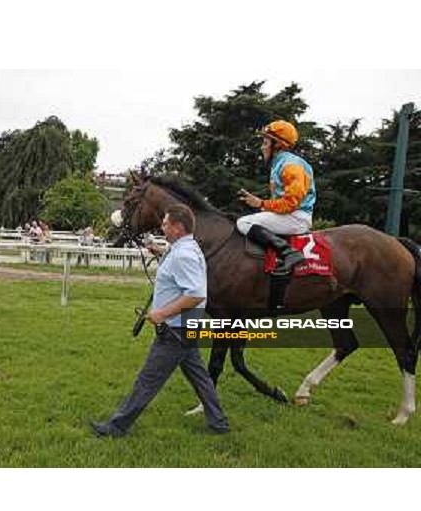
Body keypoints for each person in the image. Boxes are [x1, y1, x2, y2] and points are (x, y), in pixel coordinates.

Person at [90, 204, 230, 437]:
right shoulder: (184, 248)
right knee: (201, 379)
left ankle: (116, 427)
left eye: (165, 223)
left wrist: (162, 314)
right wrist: (157, 252)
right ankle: (219, 423)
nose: (162, 226)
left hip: (175, 329)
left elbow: (196, 294)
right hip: (185, 328)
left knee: (147, 380)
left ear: (177, 227)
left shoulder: (183, 254)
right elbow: (179, 270)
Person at [237, 120, 316, 274]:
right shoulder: (281, 163)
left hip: (296, 217)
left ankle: (289, 253)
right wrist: (259, 205)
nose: (262, 147)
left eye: (265, 142)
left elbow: (290, 204)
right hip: (290, 215)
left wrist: (261, 203)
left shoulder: (290, 165)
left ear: (277, 145)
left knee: (243, 222)